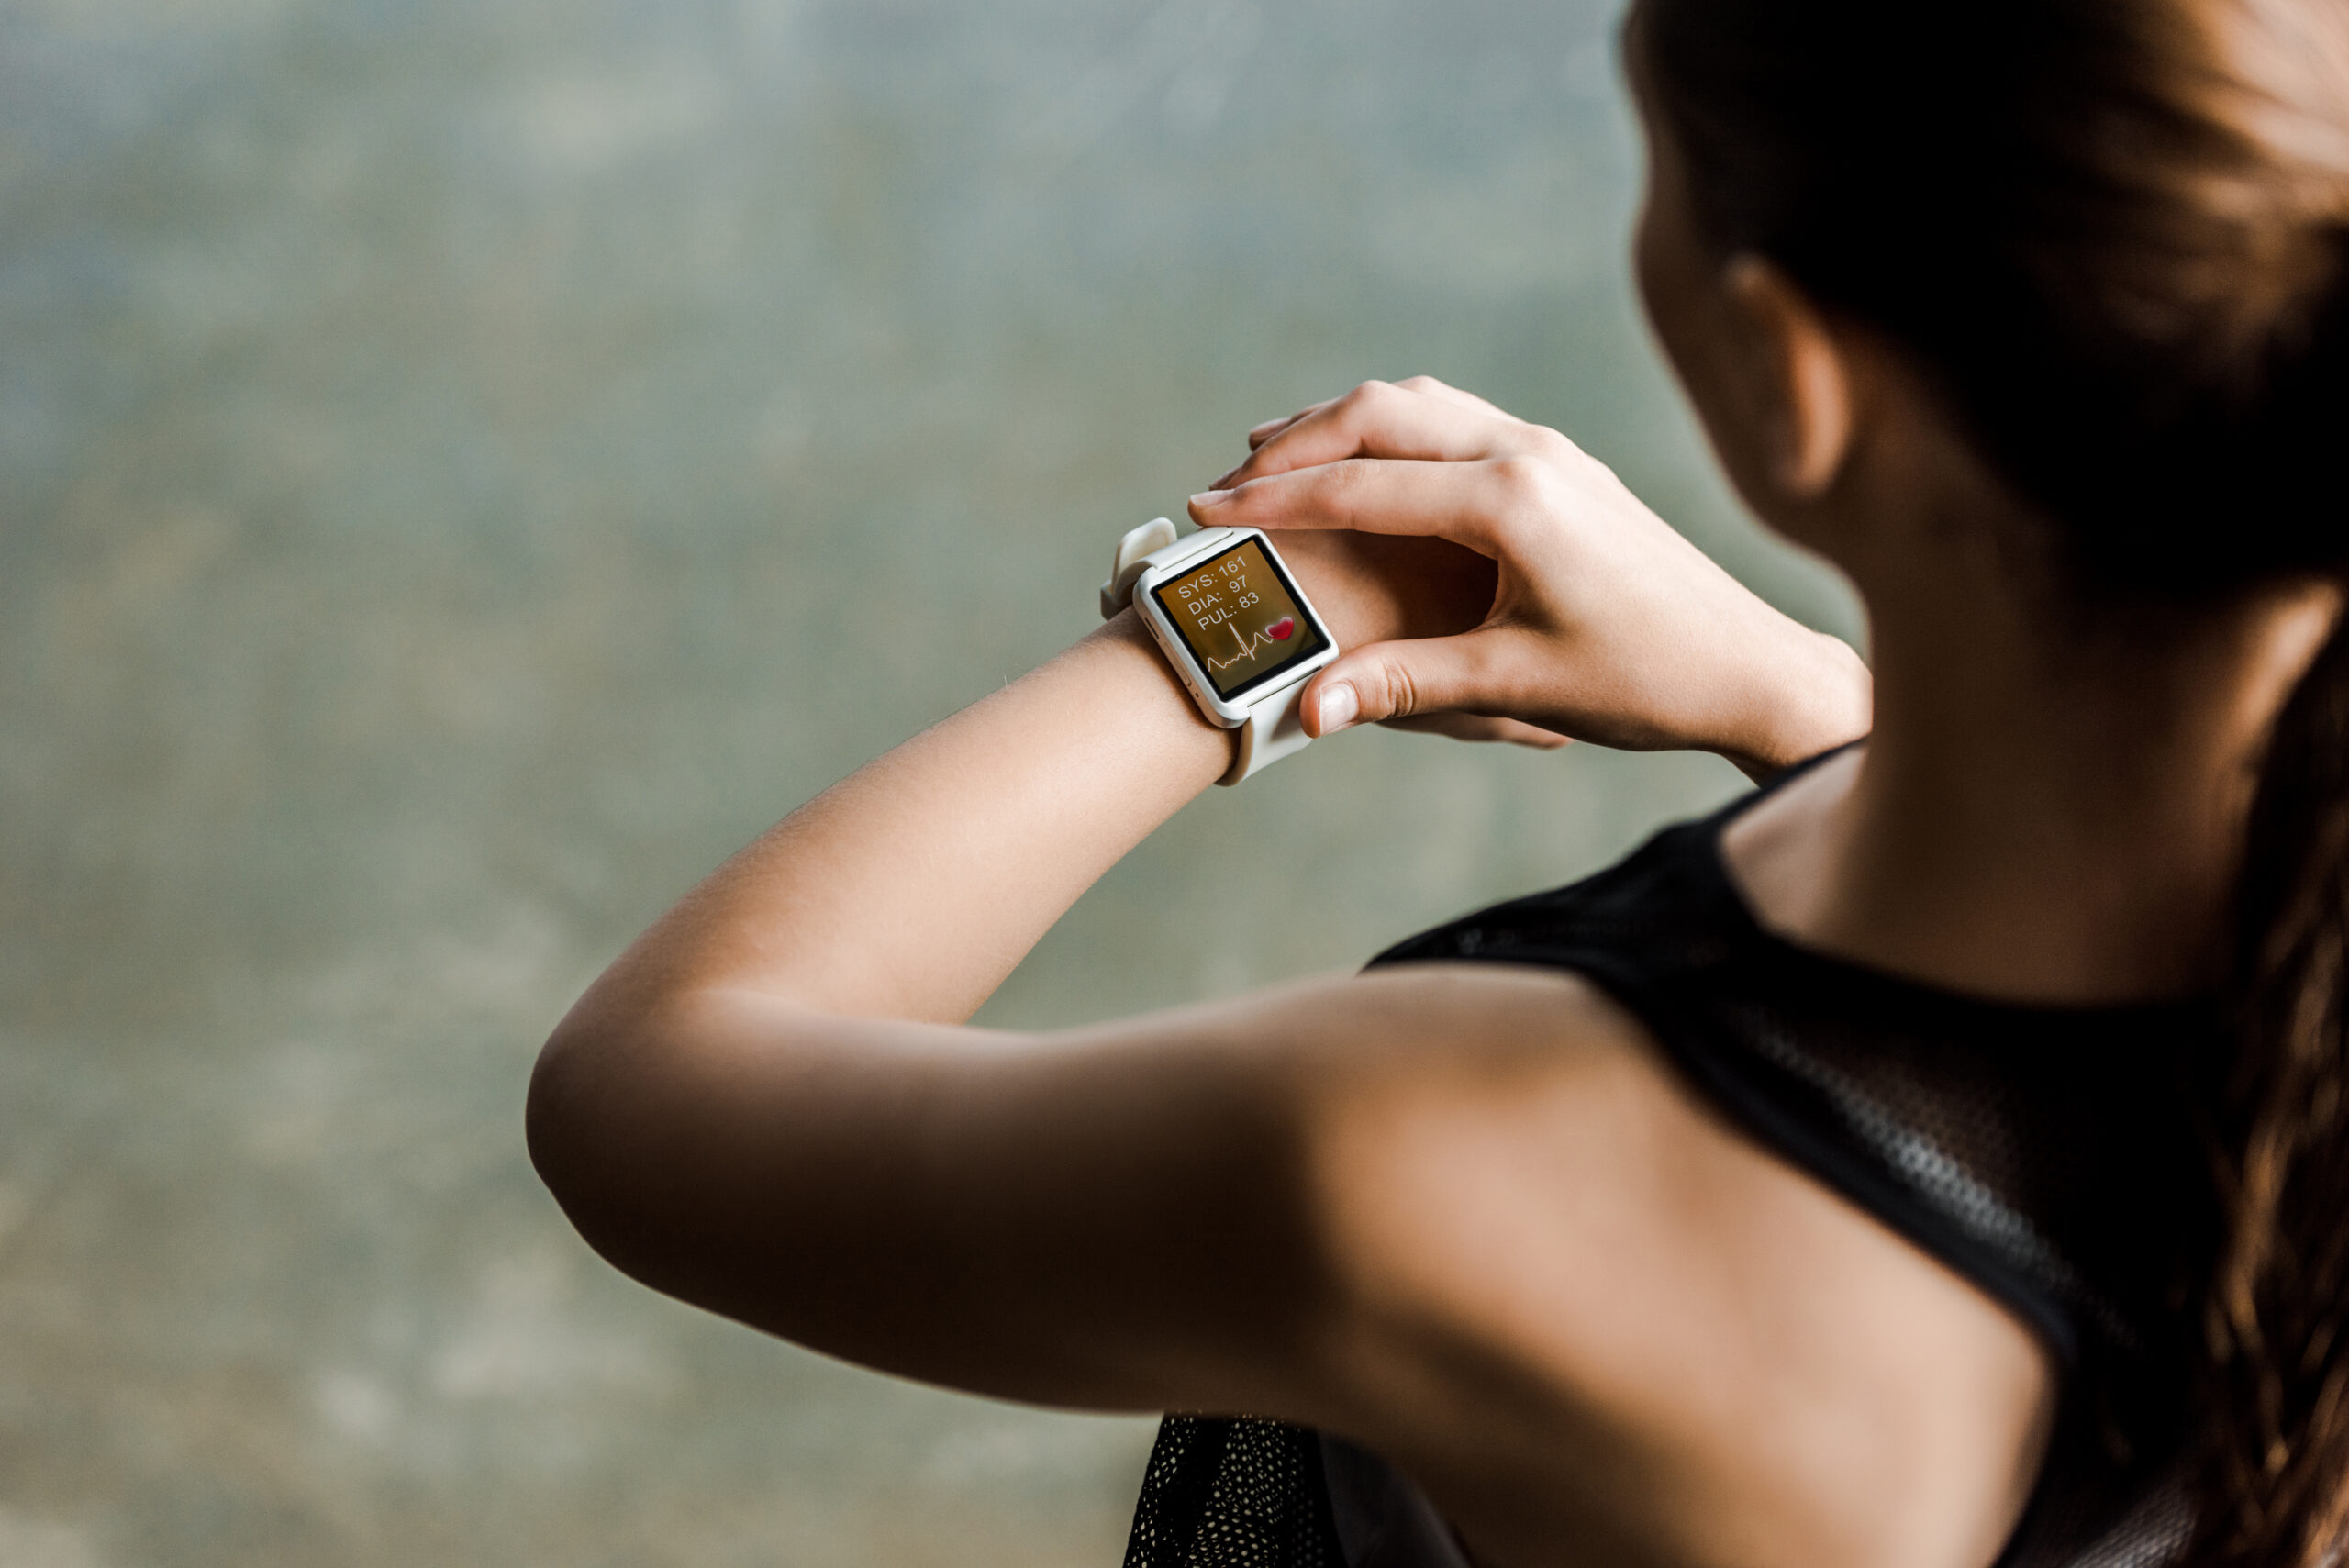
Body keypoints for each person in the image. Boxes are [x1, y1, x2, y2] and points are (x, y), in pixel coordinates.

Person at [525, 0, 2349, 1563]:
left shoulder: (1452, 1172)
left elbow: (647, 1094)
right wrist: (1807, 703)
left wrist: (1262, 618)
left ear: (1789, 383)